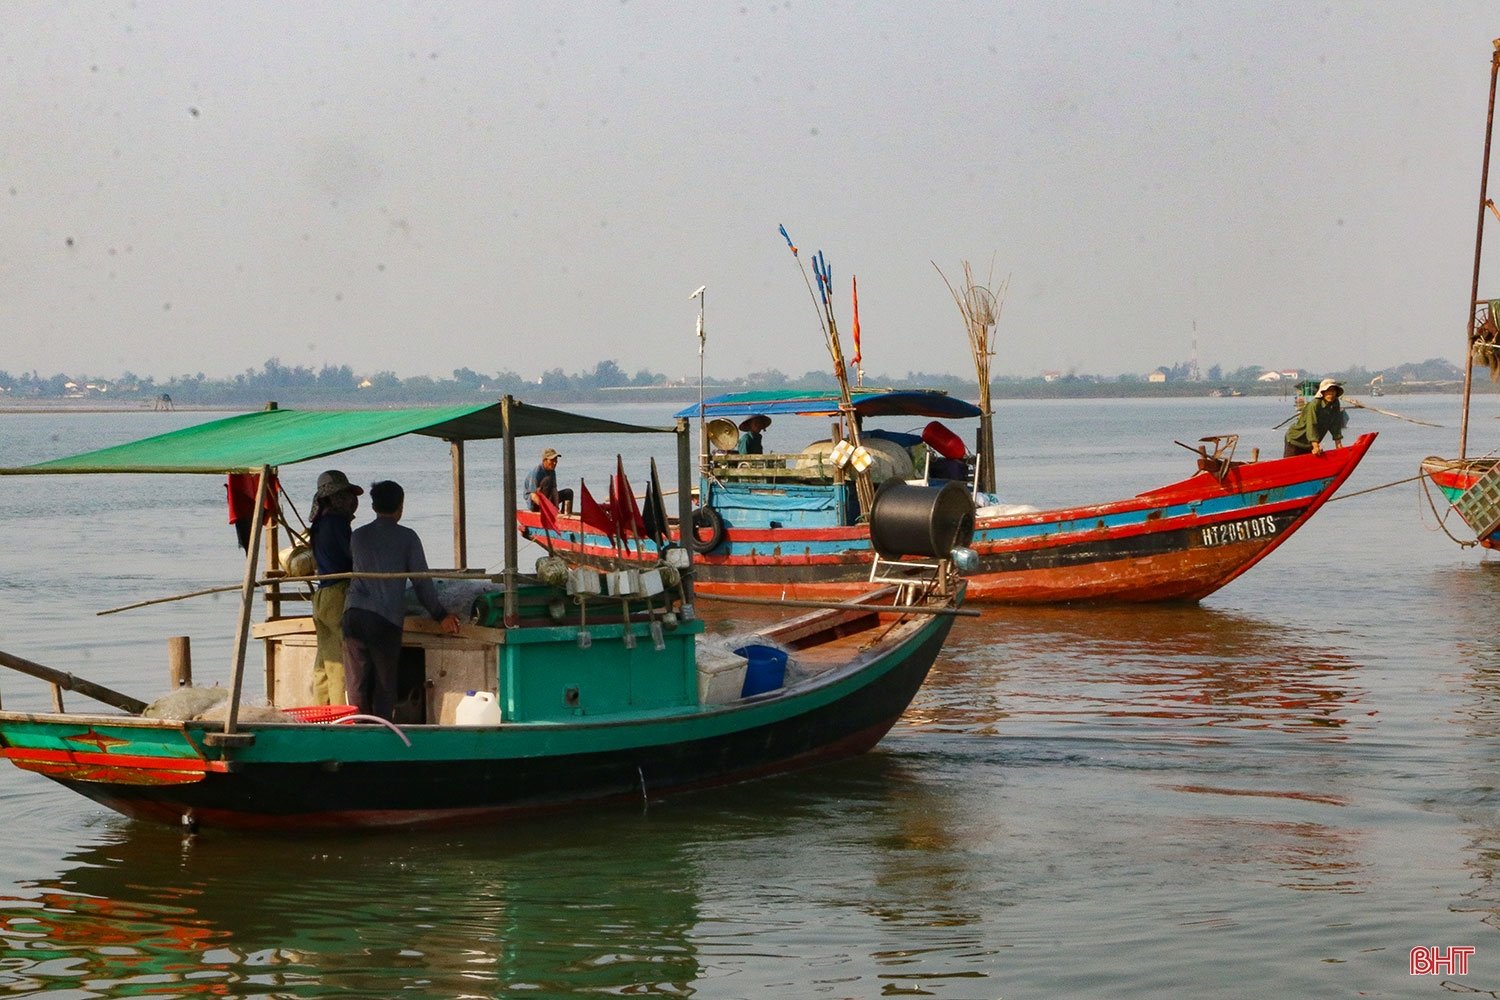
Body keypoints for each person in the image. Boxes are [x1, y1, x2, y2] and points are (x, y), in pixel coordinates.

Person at [341, 480, 461, 721]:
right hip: (384, 620)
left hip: (352, 615)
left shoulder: (358, 536)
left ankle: (358, 730)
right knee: (385, 684)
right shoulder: (408, 537)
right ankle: (383, 731)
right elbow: (421, 582)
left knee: (356, 682)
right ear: (400, 506)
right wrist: (440, 614)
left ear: (373, 506)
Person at [307, 469, 362, 705]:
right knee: (338, 660)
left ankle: (321, 708)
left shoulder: (319, 525)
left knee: (324, 659)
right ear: (334, 498)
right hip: (338, 592)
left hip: (321, 595)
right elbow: (352, 557)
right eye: (344, 495)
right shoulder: (337, 523)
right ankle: (339, 712)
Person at [1284, 378, 1346, 457]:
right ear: (1322, 393)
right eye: (1328, 391)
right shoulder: (1314, 405)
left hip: (1309, 444)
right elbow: (1311, 425)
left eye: (1333, 391)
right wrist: (1316, 446)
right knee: (1291, 466)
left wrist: (1338, 444)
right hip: (1295, 440)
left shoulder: (1335, 404)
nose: (1331, 394)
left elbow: (1335, 424)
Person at [524, 447, 574, 513]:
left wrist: (556, 507)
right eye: (552, 460)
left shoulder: (552, 471)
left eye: (556, 460)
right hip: (535, 503)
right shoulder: (536, 472)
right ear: (545, 460)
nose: (555, 463)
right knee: (547, 480)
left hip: (547, 500)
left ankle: (564, 514)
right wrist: (546, 508)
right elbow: (533, 495)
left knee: (568, 492)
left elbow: (554, 490)